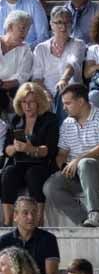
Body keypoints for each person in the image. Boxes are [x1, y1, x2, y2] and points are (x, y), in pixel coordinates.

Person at [42, 85, 99, 228]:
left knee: (85, 163)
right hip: (78, 171)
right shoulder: (67, 123)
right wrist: (61, 169)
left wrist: (77, 160)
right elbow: (62, 154)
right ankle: (83, 220)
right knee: (50, 186)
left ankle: (95, 214)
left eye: (67, 103)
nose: (64, 108)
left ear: (81, 101)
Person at [1, 85, 59, 227]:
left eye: (31, 102)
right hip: (20, 163)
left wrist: (31, 149)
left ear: (39, 102)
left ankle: (38, 220)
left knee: (34, 174)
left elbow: (49, 149)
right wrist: (15, 147)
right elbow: (6, 149)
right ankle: (8, 221)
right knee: (8, 173)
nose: (27, 106)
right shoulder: (16, 120)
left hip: (42, 164)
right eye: (23, 102)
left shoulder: (49, 119)